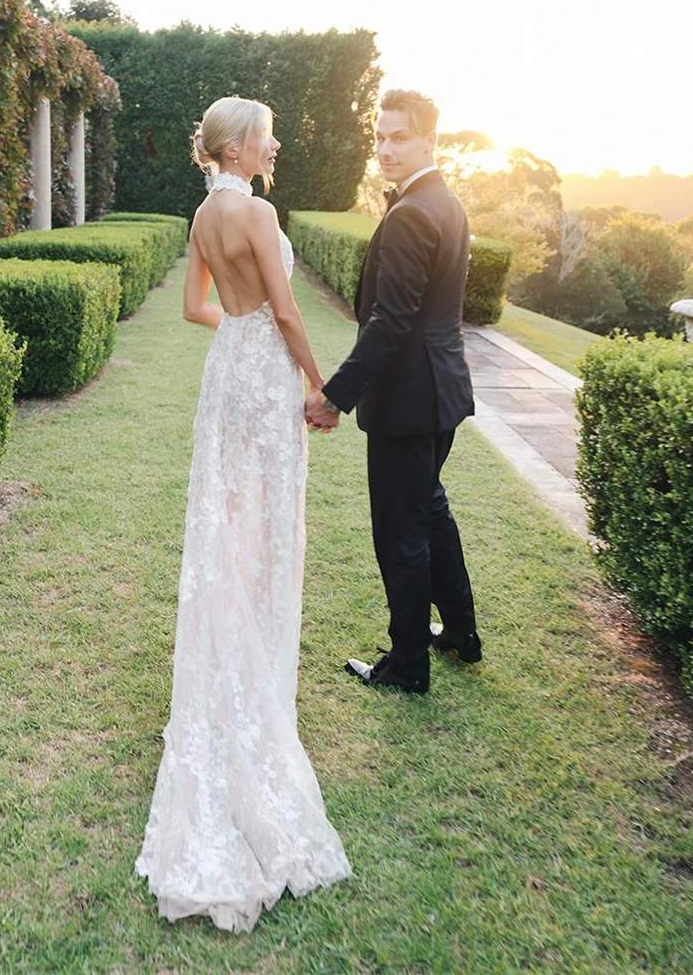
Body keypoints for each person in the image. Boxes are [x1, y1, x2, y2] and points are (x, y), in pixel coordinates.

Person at [134, 96, 351, 933]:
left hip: (227, 371)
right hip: (263, 380)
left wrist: (242, 333)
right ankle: (253, 674)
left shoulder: (202, 216)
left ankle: (229, 664)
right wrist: (316, 382)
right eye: (266, 134)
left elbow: (198, 308)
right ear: (235, 146)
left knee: (226, 529)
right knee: (264, 531)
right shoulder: (256, 210)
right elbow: (289, 310)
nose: (277, 142)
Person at [305, 89, 482, 696]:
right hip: (442, 394)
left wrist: (335, 394)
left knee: (400, 534)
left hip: (408, 403)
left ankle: (408, 664)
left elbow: (392, 320)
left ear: (429, 140)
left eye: (399, 137)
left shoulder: (412, 213)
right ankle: (460, 631)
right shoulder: (445, 202)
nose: (385, 148)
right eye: (379, 137)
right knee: (430, 512)